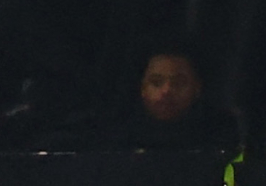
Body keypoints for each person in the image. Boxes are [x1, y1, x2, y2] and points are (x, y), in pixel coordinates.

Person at [99, 33, 240, 151]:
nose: (167, 91)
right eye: (156, 83)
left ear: (197, 88)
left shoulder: (220, 137)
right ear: (143, 88)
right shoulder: (114, 137)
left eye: (179, 83)